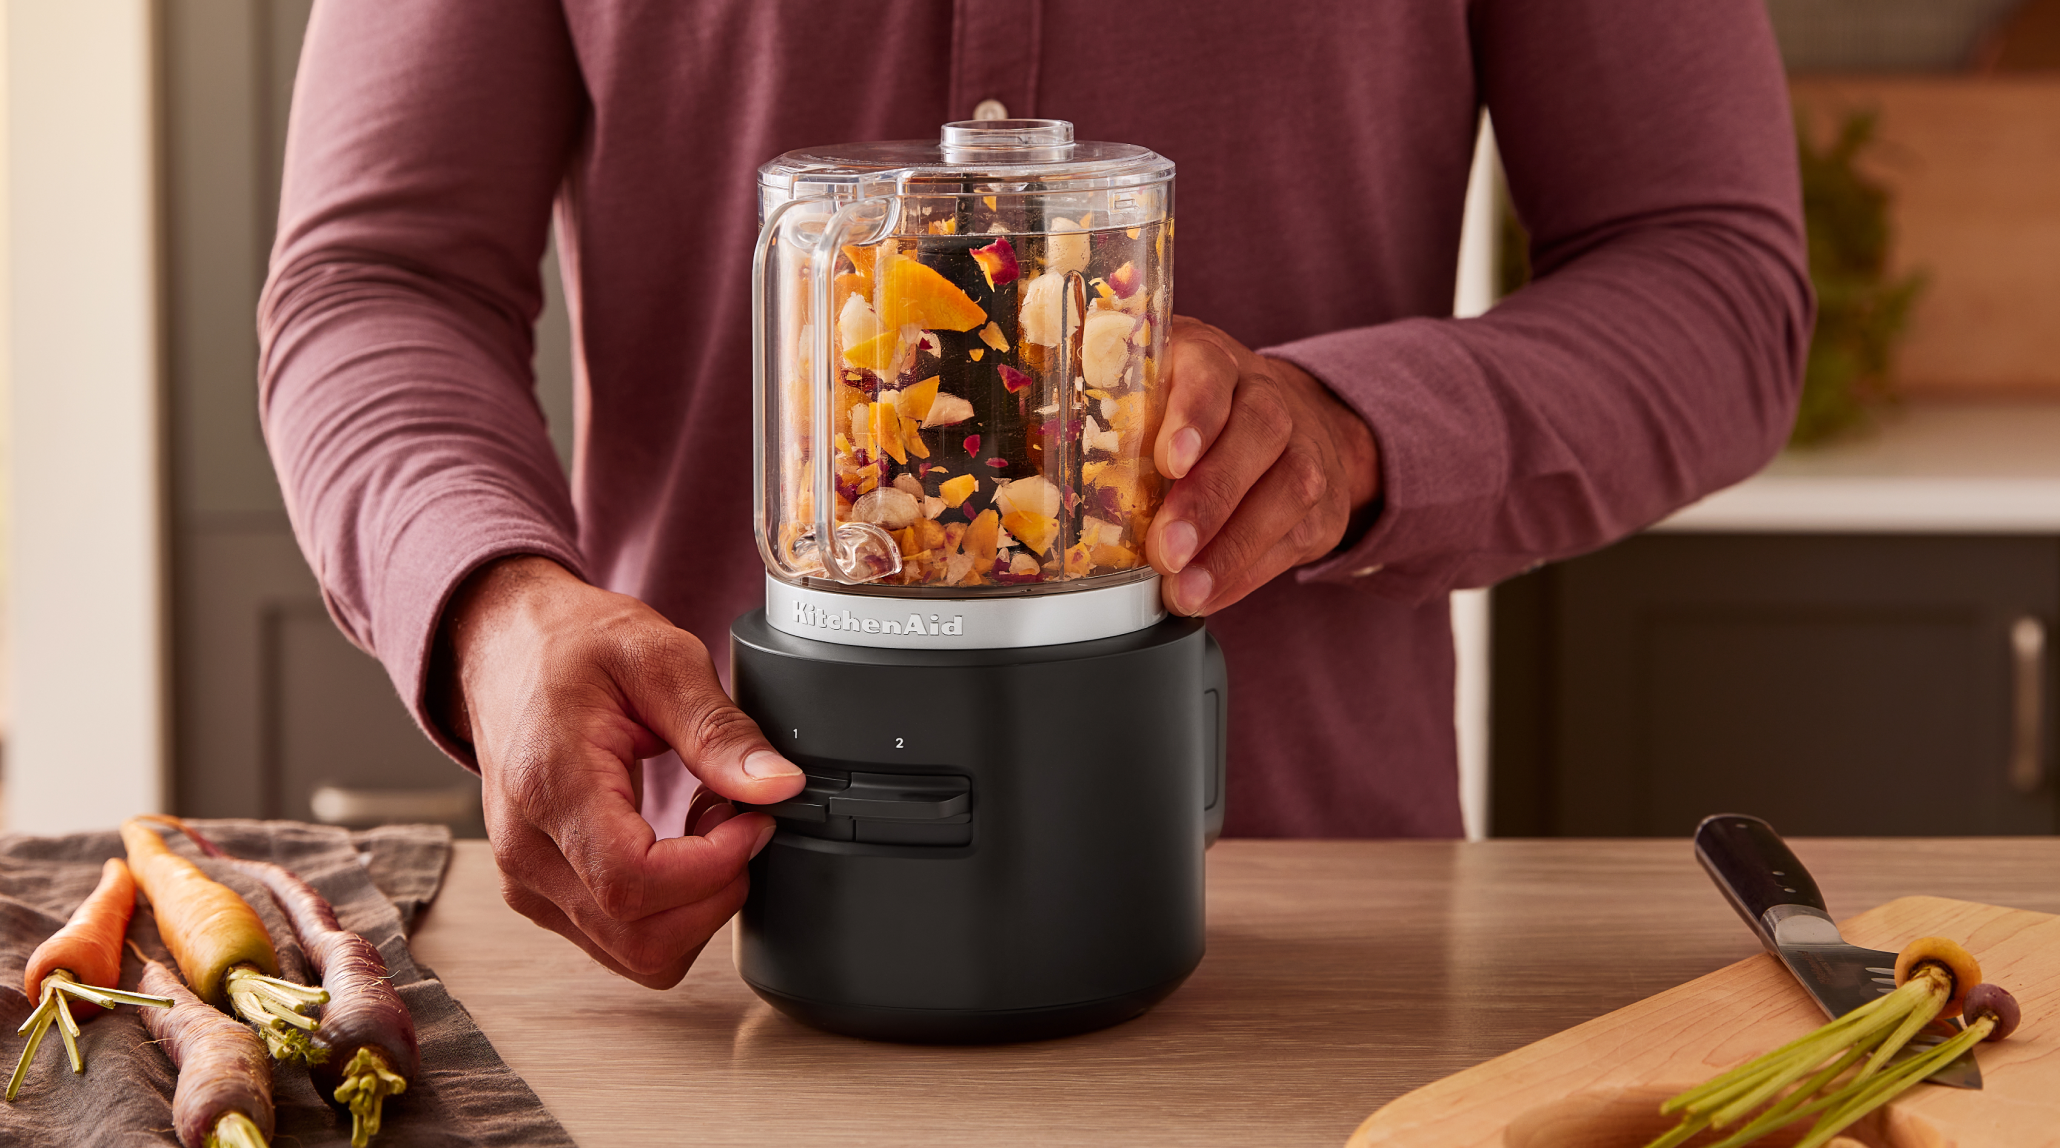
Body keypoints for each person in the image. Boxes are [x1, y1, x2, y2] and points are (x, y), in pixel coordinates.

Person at [260, 1, 1809, 987]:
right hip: (697, 920)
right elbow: (376, 278)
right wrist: (492, 601)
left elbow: (1716, 281)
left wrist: (1351, 430)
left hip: (1321, 947)